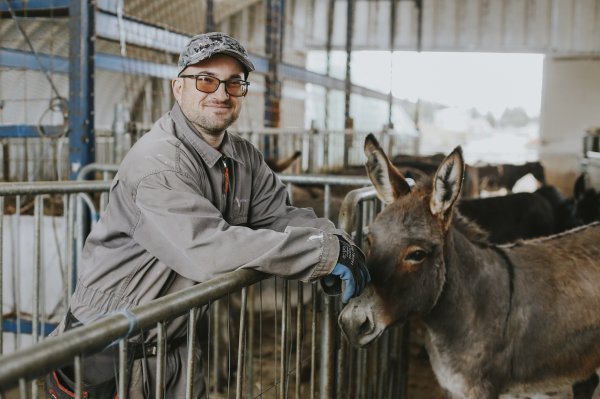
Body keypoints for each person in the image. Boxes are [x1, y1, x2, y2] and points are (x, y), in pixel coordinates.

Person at [47, 32, 369, 398]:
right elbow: (209, 250)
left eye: (234, 83)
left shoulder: (243, 156)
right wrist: (319, 255)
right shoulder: (157, 164)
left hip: (176, 344)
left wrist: (335, 242)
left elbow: (278, 214)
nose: (221, 93)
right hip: (111, 347)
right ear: (178, 88)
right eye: (206, 80)